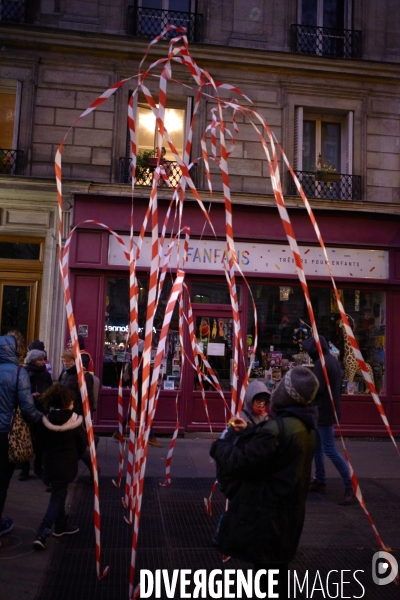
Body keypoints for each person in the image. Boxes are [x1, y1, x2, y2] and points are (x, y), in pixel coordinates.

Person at [210, 366, 319, 598]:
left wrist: (219, 447)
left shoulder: (276, 429)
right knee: (277, 573)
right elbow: (277, 451)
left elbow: (244, 460)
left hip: (268, 517)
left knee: (265, 579)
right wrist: (250, 430)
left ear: (287, 395)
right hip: (290, 515)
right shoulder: (306, 427)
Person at [0, 332, 43, 545]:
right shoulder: (18, 373)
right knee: (2, 479)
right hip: (6, 434)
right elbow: (27, 408)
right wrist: (43, 420)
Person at [302, 335, 355, 505]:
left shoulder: (321, 363)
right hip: (328, 410)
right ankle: (320, 480)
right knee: (317, 448)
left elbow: (317, 388)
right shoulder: (332, 361)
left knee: (329, 450)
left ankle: (349, 486)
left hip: (322, 412)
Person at [33, 384, 87, 550]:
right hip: (67, 464)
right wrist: (74, 457)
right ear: (67, 402)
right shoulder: (75, 421)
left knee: (59, 492)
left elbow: (38, 443)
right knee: (57, 496)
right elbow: (82, 444)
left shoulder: (45, 419)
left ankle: (61, 525)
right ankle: (43, 532)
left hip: (50, 464)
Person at [59, 348, 97, 478]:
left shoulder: (84, 377)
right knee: (70, 447)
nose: (65, 363)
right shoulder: (65, 374)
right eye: (64, 360)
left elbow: (88, 400)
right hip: (64, 414)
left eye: (68, 360)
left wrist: (85, 418)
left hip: (76, 416)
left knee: (75, 447)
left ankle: (64, 477)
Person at [19, 349, 53, 480]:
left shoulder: (45, 375)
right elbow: (21, 391)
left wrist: (44, 395)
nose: (42, 362)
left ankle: (38, 468)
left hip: (42, 410)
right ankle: (24, 469)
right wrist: (30, 396)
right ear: (33, 360)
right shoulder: (24, 373)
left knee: (40, 441)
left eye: (43, 359)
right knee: (25, 439)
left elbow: (50, 390)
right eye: (40, 359)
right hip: (27, 410)